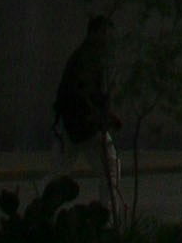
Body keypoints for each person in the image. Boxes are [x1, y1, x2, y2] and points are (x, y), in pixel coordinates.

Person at [52, 15, 122, 223]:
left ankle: (42, 213)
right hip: (84, 126)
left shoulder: (87, 56)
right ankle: (108, 219)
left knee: (61, 172)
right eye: (105, 33)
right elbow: (84, 93)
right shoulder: (88, 58)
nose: (109, 39)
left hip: (75, 126)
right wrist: (103, 116)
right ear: (95, 33)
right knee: (110, 170)